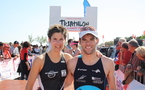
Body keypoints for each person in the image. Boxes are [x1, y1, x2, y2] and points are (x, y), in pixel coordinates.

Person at [26, 24, 72, 90]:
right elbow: (29, 86)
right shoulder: (40, 60)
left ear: (64, 40)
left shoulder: (68, 58)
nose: (58, 43)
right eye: (55, 39)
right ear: (49, 40)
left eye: (61, 39)